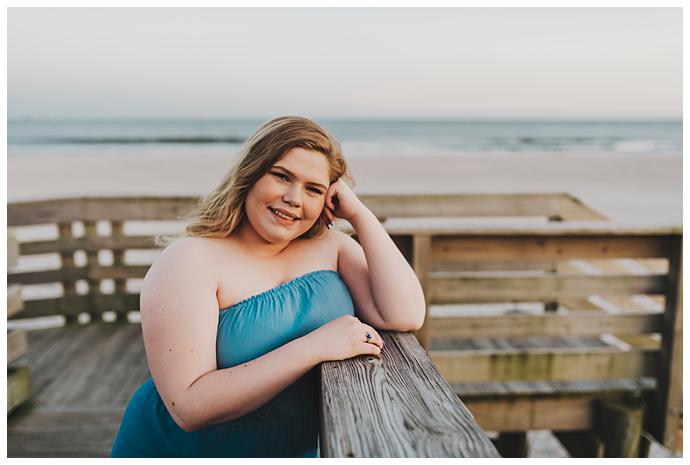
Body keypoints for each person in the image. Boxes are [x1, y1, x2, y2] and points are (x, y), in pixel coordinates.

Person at [110, 116, 426, 457]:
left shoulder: (331, 247)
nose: (293, 198)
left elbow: (405, 314)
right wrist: (314, 347)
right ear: (251, 174)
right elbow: (187, 406)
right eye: (282, 176)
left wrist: (360, 215)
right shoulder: (189, 260)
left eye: (313, 189)